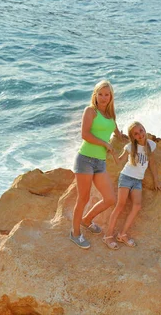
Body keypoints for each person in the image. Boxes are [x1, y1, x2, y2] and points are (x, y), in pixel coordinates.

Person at [70, 80, 124, 249]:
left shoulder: (111, 116)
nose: (103, 97)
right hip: (85, 159)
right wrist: (105, 144)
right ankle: (75, 233)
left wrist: (133, 138)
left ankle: (86, 220)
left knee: (109, 199)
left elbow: (118, 134)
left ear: (111, 97)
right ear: (95, 95)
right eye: (100, 94)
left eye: (106, 94)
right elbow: (85, 134)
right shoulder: (90, 111)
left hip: (100, 163)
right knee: (83, 198)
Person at [102, 121, 161, 250]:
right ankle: (108, 236)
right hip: (126, 177)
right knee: (120, 205)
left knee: (137, 206)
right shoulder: (130, 147)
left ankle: (122, 234)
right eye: (136, 134)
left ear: (144, 129)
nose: (140, 135)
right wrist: (113, 152)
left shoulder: (151, 145)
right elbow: (119, 161)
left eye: (141, 131)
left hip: (138, 180)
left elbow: (152, 164)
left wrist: (156, 181)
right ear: (133, 136)